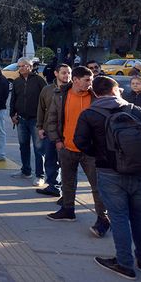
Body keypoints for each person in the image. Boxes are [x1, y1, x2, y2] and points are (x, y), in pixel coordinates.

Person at [74, 76, 141, 279]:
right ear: (117, 90)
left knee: (119, 218)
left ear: (96, 93)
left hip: (109, 173)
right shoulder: (138, 111)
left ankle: (124, 264)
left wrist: (101, 154)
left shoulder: (89, 114)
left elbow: (79, 142)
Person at [45, 66, 109, 237]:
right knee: (67, 181)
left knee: (97, 186)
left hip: (90, 151)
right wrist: (57, 140)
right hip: (67, 147)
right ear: (76, 80)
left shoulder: (96, 97)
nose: (91, 83)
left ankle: (103, 219)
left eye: (92, 79)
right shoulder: (61, 96)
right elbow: (51, 119)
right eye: (87, 80)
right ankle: (68, 210)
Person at [36, 63, 72, 197]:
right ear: (56, 74)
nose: (67, 75)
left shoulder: (73, 90)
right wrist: (40, 127)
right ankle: (53, 186)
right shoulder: (47, 90)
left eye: (69, 73)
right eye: (64, 72)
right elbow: (41, 109)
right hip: (49, 131)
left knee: (65, 163)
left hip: (67, 133)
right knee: (50, 160)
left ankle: (66, 191)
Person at [10, 58, 48, 185]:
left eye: (23, 66)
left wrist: (44, 119)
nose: (20, 68)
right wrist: (12, 115)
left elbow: (46, 100)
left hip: (36, 120)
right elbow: (13, 100)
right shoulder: (16, 82)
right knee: (23, 146)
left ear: (30, 67)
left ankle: (40, 175)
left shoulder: (39, 81)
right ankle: (26, 171)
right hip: (21, 119)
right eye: (19, 66)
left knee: (39, 148)